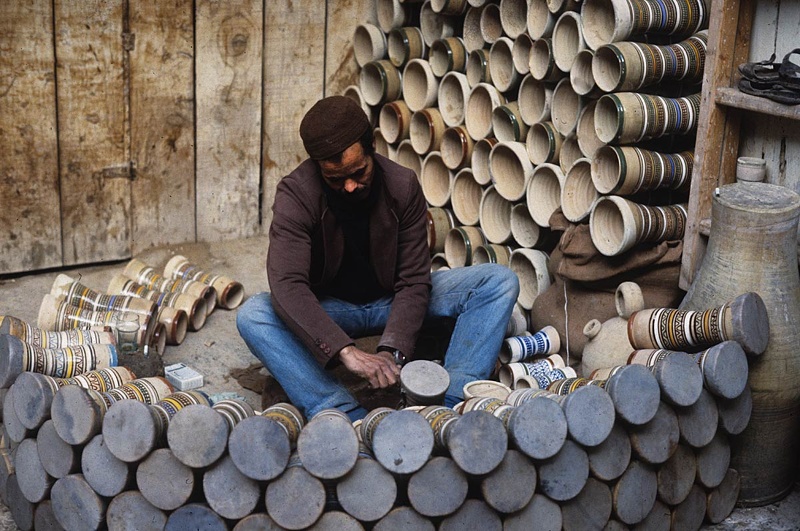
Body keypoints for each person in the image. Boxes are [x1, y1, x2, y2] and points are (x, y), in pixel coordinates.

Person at [237, 95, 519, 421]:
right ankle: (345, 414)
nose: (350, 186)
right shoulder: (296, 195)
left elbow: (414, 281)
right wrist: (346, 352)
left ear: (372, 145)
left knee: (498, 281)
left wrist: (392, 350)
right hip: (333, 309)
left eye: (358, 172)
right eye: (335, 179)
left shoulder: (403, 185)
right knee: (254, 314)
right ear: (317, 167)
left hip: (390, 300)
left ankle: (449, 404)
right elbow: (287, 284)